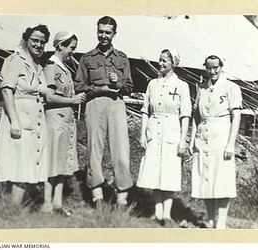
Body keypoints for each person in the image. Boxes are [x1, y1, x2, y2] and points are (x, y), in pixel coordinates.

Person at [74, 16, 133, 209]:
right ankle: (97, 194)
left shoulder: (122, 58)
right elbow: (79, 85)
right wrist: (97, 90)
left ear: (114, 33)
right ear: (97, 31)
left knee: (121, 150)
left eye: (108, 32)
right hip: (95, 104)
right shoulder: (87, 58)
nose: (103, 35)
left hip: (116, 104)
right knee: (94, 149)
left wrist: (118, 83)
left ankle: (122, 197)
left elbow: (129, 87)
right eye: (101, 31)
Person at [0, 24, 51, 205]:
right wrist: (14, 121)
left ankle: (15, 208)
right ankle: (12, 210)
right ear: (26, 40)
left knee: (27, 165)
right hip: (19, 119)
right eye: (35, 41)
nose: (39, 45)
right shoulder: (16, 60)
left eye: (42, 42)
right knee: (20, 165)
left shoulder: (38, 65)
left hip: (35, 120)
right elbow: (7, 91)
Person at [137, 49, 192, 227]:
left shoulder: (182, 86)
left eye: (165, 61)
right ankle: (156, 212)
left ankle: (167, 214)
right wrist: (143, 133)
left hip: (172, 131)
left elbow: (185, 115)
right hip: (154, 128)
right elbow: (146, 110)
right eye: (159, 60)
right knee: (154, 171)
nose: (160, 63)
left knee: (168, 172)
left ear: (173, 63)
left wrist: (183, 140)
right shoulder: (152, 84)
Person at [188, 55, 242, 229]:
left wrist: (230, 143)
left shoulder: (231, 87)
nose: (212, 71)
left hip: (221, 135)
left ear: (221, 67)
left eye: (215, 68)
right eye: (208, 68)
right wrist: (192, 139)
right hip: (203, 137)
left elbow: (236, 116)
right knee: (206, 178)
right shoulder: (202, 88)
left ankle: (221, 222)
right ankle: (210, 219)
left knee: (222, 178)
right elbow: (197, 115)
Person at [41, 32, 86, 216]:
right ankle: (46, 203)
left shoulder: (65, 69)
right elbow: (49, 96)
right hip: (54, 119)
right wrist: (73, 101)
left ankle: (58, 203)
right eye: (71, 48)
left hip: (65, 120)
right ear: (60, 46)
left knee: (62, 163)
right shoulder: (51, 67)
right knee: (51, 162)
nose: (72, 52)